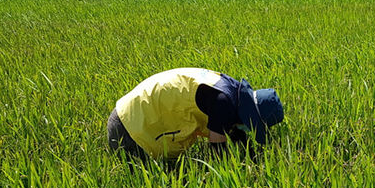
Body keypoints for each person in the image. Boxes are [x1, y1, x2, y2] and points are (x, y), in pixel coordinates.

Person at [107, 68, 284, 160]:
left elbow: (235, 132)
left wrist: (251, 156)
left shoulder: (230, 89)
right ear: (249, 117)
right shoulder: (223, 103)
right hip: (129, 133)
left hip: (125, 115)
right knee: (167, 183)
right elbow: (218, 154)